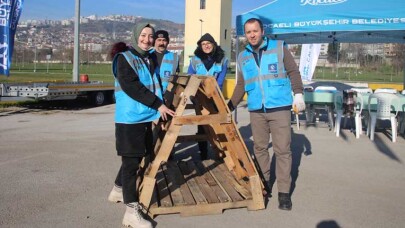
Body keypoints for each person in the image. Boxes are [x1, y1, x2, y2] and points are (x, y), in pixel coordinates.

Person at [227, 18, 305, 211]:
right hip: (256, 110)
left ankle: (284, 193)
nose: (252, 35)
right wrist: (229, 106)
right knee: (260, 149)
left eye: (255, 31)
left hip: (279, 107)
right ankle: (265, 184)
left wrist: (299, 94)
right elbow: (241, 85)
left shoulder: (279, 47)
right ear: (245, 34)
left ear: (262, 31)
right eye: (248, 32)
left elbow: (293, 72)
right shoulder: (242, 56)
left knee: (282, 151)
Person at [107, 23, 175, 228]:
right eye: (143, 35)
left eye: (150, 36)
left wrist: (159, 109)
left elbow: (156, 85)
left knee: (135, 157)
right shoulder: (124, 58)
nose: (147, 39)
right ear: (136, 35)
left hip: (144, 116)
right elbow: (132, 87)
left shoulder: (149, 57)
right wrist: (158, 105)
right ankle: (131, 211)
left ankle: (118, 190)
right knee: (131, 165)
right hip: (129, 119)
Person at [187, 33, 228, 160]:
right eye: (203, 44)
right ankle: (203, 153)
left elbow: (220, 80)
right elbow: (190, 76)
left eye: (208, 43)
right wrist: (194, 96)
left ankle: (221, 152)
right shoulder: (195, 59)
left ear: (213, 44)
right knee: (202, 127)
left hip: (215, 96)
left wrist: (214, 95)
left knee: (218, 125)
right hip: (199, 98)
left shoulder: (222, 59)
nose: (206, 46)